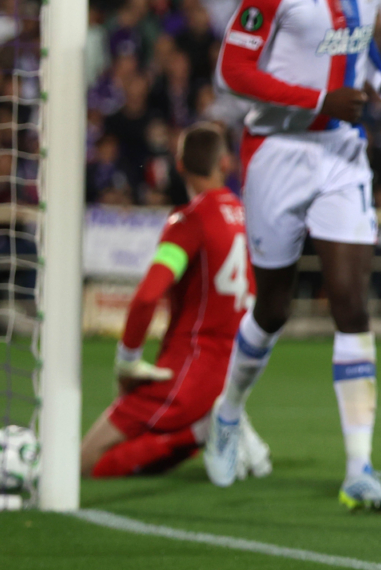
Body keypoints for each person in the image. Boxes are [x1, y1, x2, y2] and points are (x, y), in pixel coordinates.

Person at [207, 0, 381, 511]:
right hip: (277, 156)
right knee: (273, 307)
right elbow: (230, 71)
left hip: (342, 154)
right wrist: (317, 100)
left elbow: (360, 48)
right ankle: (228, 412)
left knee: (352, 304)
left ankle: (359, 468)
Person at [80, 124, 271, 480]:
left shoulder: (188, 220)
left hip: (189, 368)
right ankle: (206, 426)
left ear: (179, 166)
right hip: (232, 369)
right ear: (225, 164)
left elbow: (148, 295)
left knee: (83, 463)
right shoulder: (249, 218)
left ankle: (201, 429)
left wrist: (128, 361)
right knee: (132, 458)